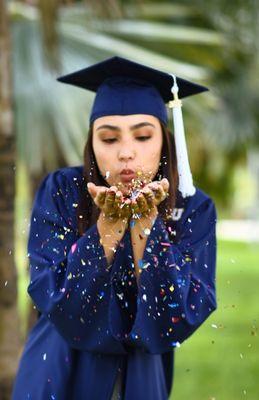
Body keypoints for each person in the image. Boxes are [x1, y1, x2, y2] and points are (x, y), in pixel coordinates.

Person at [11, 56, 217, 400]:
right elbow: (54, 299)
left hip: (142, 368)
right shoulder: (63, 190)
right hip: (58, 366)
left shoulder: (191, 207)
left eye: (143, 136)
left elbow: (181, 315)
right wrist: (106, 232)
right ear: (91, 144)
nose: (126, 153)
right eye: (108, 139)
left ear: (164, 141)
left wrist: (146, 231)